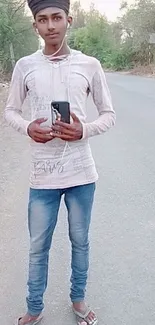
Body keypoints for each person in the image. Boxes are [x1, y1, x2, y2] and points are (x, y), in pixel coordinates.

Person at [4, 0, 116, 324]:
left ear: (69, 19)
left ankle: (78, 301)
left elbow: (108, 115)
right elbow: (10, 110)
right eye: (42, 19)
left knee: (80, 241)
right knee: (38, 246)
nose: (50, 25)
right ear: (34, 26)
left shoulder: (90, 65)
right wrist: (27, 127)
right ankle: (34, 308)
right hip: (43, 176)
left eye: (56, 18)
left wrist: (83, 130)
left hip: (81, 173)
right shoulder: (25, 66)